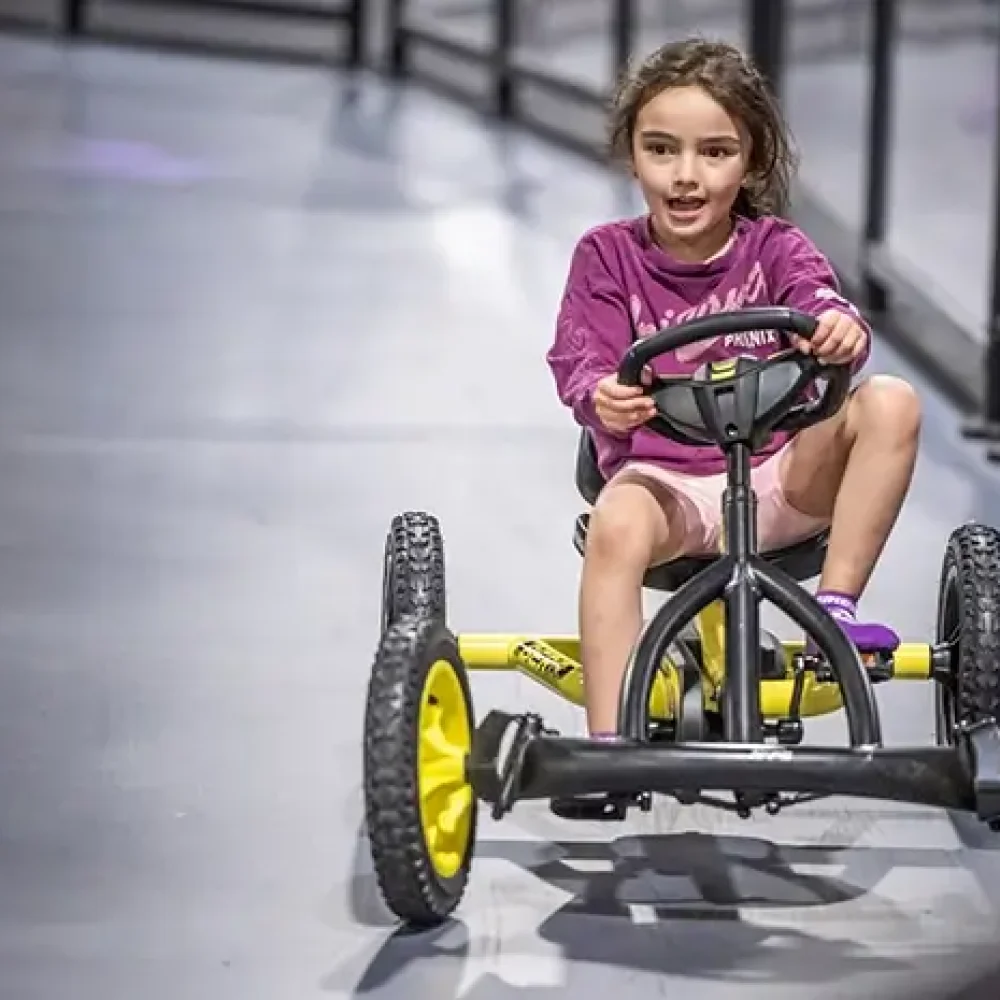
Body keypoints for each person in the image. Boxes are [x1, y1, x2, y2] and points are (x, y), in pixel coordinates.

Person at [546, 38, 922, 746]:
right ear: (632, 154)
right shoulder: (606, 257)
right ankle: (609, 746)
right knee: (613, 528)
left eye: (715, 153)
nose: (686, 177)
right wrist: (601, 395)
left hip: (780, 477)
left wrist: (838, 329)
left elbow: (823, 305)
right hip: (666, 485)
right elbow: (579, 357)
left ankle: (835, 610)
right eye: (662, 150)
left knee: (892, 399)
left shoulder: (776, 248)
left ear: (751, 161)